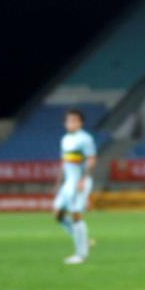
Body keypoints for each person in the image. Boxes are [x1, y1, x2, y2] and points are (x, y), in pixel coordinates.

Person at [53, 109, 96, 264]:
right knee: (58, 214)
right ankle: (85, 241)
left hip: (80, 182)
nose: (70, 123)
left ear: (80, 122)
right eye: (68, 120)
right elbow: (64, 163)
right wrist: (59, 183)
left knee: (76, 214)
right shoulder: (65, 140)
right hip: (68, 183)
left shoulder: (85, 139)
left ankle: (81, 254)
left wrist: (84, 179)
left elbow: (91, 160)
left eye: (74, 120)